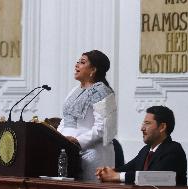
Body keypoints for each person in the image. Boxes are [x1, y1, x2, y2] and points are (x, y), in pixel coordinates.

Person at [57, 50, 117, 181]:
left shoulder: (103, 91)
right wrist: (57, 138)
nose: (76, 65)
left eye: (82, 62)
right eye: (78, 61)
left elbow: (103, 128)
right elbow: (66, 119)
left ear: (93, 69)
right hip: (68, 152)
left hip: (92, 156)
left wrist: (77, 141)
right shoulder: (74, 90)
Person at [96, 106, 187, 186]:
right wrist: (108, 172)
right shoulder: (146, 150)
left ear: (162, 127)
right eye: (143, 123)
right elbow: (126, 169)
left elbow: (151, 177)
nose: (142, 128)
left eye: (147, 123)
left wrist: (117, 176)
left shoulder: (174, 150)